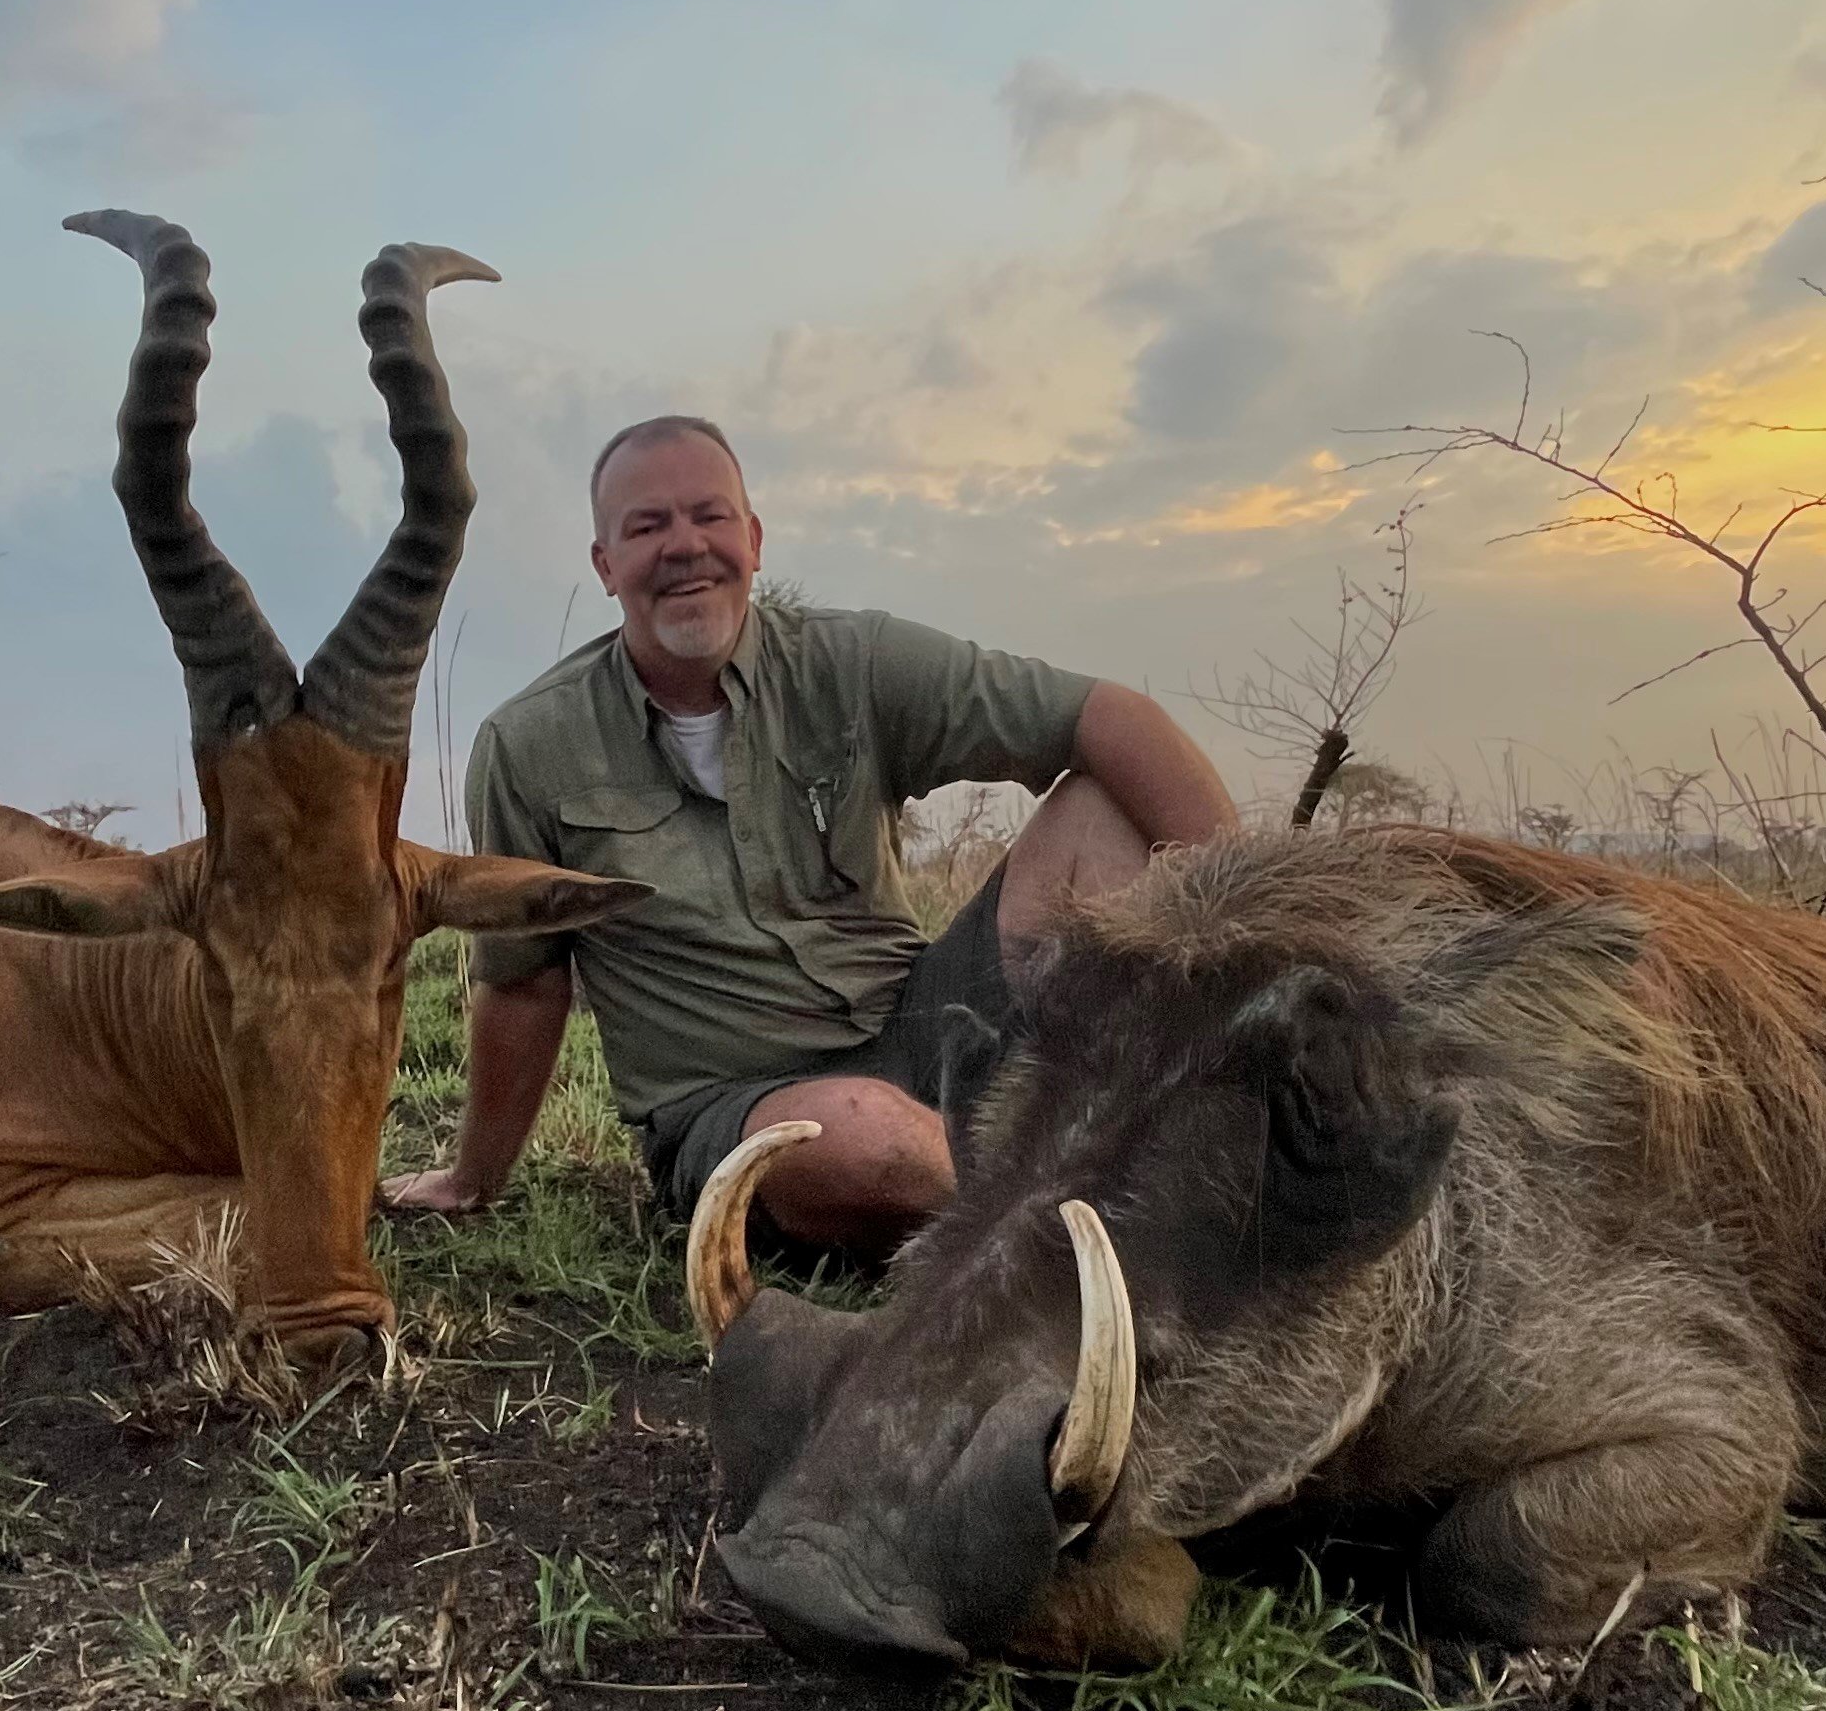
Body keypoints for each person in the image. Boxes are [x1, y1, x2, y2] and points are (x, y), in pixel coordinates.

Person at [381, 415, 1235, 1251]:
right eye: (647, 527)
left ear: (752, 539)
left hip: (927, 1020)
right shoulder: (526, 746)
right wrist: (472, 1180)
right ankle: (1118, 1218)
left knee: (1102, 812)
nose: (685, 546)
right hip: (740, 1101)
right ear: (606, 566)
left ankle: (1203, 1107)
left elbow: (1110, 717)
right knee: (869, 1143)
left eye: (709, 516)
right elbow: (526, 987)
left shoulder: (853, 660)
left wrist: (1264, 937)